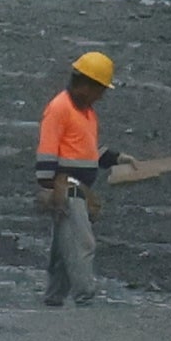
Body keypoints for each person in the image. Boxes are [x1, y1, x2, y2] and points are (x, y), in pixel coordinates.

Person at [34, 51, 124, 305]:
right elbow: (47, 150)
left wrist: (117, 158)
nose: (101, 96)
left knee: (65, 245)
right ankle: (85, 296)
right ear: (85, 84)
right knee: (82, 242)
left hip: (77, 186)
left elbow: (85, 152)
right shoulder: (60, 108)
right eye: (100, 90)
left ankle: (54, 296)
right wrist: (50, 188)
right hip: (67, 185)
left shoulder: (86, 112)